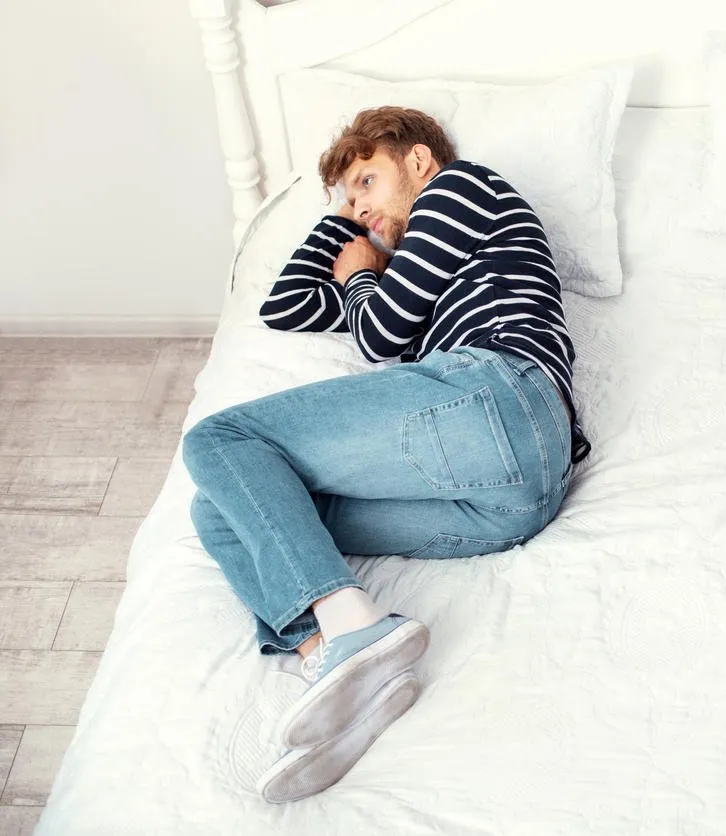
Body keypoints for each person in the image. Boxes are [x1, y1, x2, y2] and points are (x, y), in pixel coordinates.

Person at [182, 106, 587, 803]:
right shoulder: (400, 271)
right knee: (220, 510)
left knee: (218, 440)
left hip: (502, 395)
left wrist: (360, 275)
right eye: (349, 197)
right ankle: (335, 665)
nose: (360, 205)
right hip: (510, 502)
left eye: (367, 180)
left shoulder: (461, 188)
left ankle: (355, 627)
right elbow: (284, 306)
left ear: (419, 161)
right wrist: (348, 227)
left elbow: (380, 335)